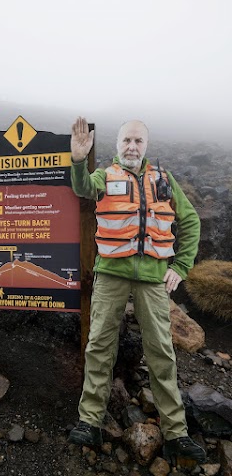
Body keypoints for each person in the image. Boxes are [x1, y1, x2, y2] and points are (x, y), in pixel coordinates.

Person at [67, 117, 206, 464]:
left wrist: (181, 268)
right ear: (118, 144)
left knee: (161, 350)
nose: (132, 146)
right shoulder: (105, 175)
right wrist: (78, 159)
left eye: (138, 141)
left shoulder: (164, 179)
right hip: (112, 274)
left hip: (153, 279)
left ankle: (176, 433)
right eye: (126, 140)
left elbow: (190, 222)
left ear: (146, 146)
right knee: (100, 343)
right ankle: (90, 421)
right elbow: (82, 187)